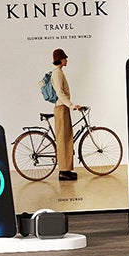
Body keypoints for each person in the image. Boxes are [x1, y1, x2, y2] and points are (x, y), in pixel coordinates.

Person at [50, 48, 77, 181]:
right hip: (61, 108)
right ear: (60, 60)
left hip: (63, 108)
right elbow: (60, 93)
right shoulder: (57, 73)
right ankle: (63, 172)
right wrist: (71, 105)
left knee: (66, 139)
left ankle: (67, 169)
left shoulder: (59, 72)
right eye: (65, 58)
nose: (66, 60)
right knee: (62, 140)